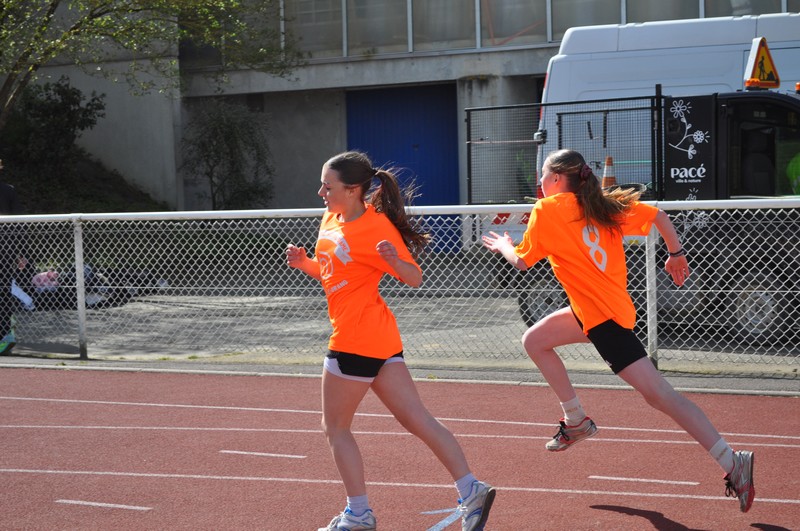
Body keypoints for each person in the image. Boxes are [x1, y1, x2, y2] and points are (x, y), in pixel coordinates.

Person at [482, 149, 755, 513]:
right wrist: (676, 254)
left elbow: (522, 261)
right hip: (598, 311)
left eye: (543, 175)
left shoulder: (548, 210)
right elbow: (658, 216)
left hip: (604, 321)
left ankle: (732, 461)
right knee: (535, 340)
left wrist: (504, 245)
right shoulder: (603, 204)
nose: (540, 183)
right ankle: (576, 420)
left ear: (557, 179)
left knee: (660, 396)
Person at [286, 151, 494, 531]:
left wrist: (393, 260)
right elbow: (334, 275)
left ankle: (358, 514)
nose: (321, 192)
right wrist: (305, 265)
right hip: (378, 340)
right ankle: (471, 489)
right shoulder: (331, 218)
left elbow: (414, 277)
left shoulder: (377, 228)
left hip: (354, 340)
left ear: (353, 190)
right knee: (416, 419)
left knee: (335, 428)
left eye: (328, 186)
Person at [0, 159, 26, 355]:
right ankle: (6, 333)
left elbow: (19, 223)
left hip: (5, 250)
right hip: (6, 250)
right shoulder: (9, 190)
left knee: (2, 291)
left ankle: (5, 335)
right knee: (2, 292)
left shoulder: (8, 191)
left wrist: (21, 253)